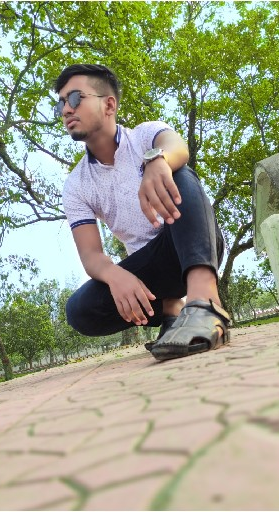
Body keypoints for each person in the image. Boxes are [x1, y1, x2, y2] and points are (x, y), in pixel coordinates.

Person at [54, 64, 230, 361]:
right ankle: (172, 312)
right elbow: (91, 255)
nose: (66, 110)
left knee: (178, 172)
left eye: (74, 98)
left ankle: (205, 304)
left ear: (109, 105)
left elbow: (177, 146)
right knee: (80, 310)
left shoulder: (144, 135)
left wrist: (157, 161)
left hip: (193, 244)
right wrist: (115, 275)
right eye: (60, 104)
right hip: (150, 272)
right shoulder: (76, 185)